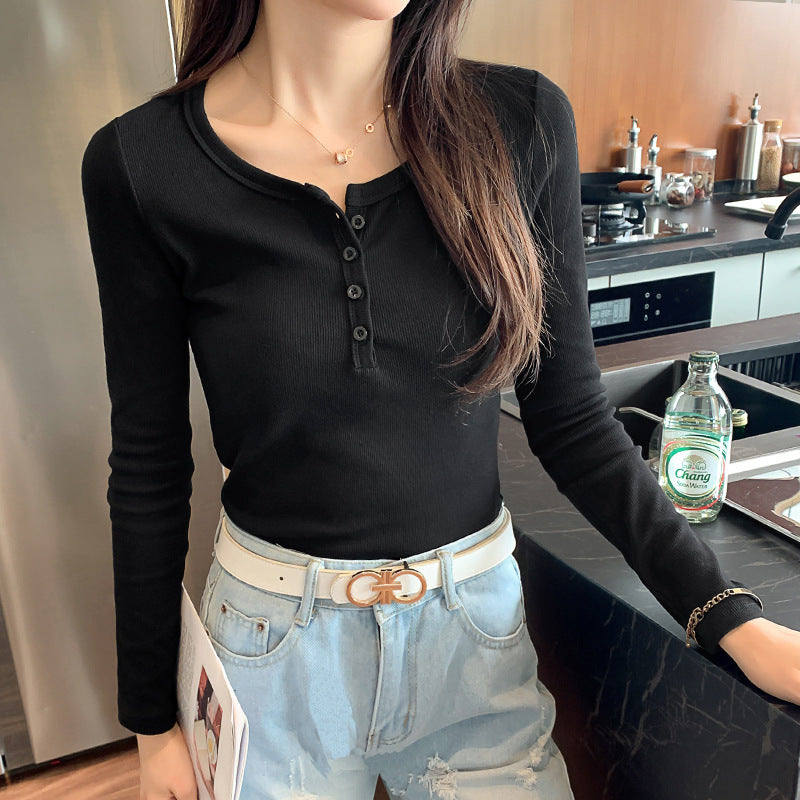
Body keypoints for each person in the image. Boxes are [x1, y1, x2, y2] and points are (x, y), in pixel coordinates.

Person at [80, 1, 800, 798]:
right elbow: (148, 467)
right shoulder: (142, 164)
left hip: (473, 645)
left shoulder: (521, 122)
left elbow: (572, 421)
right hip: (271, 658)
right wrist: (153, 725)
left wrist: (727, 615)